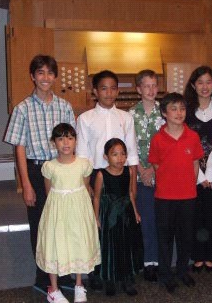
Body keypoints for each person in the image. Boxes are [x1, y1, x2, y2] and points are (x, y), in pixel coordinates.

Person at [4, 55, 76, 293]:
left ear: (55, 77)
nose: (45, 77)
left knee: (63, 222)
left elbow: (70, 142)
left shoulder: (64, 106)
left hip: (61, 169)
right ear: (32, 76)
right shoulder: (22, 108)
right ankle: (42, 276)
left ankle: (63, 272)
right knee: (41, 225)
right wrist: (26, 184)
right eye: (40, 72)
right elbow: (19, 147)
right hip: (36, 170)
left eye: (50, 73)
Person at [76, 70, 139, 290]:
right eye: (103, 88)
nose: (109, 92)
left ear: (118, 91)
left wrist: (132, 185)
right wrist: (86, 186)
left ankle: (124, 273)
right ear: (95, 91)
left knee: (121, 229)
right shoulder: (85, 118)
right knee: (98, 228)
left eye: (113, 88)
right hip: (97, 176)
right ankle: (98, 273)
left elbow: (131, 153)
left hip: (121, 178)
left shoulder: (126, 117)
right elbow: (82, 156)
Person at [36, 123, 101, 303]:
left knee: (78, 242)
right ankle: (54, 289)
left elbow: (86, 186)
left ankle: (79, 285)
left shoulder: (84, 164)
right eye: (60, 138)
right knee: (55, 245)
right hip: (57, 211)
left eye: (70, 138)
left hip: (79, 210)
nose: (66, 142)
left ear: (75, 141)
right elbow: (49, 191)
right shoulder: (50, 167)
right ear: (54, 142)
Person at [148, 92, 204, 293]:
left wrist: (190, 184)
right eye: (173, 108)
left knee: (185, 237)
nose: (179, 113)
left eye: (182, 108)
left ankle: (182, 271)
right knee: (165, 237)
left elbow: (195, 163)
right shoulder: (158, 139)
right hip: (164, 197)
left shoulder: (193, 136)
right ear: (164, 113)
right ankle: (165, 274)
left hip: (188, 196)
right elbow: (155, 165)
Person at [184, 66, 212, 273]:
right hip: (190, 171)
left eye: (208, 82)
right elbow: (185, 145)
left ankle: (211, 256)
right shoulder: (185, 110)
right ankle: (197, 256)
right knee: (194, 214)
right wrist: (198, 176)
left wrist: (208, 174)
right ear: (193, 85)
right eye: (200, 82)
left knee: (210, 213)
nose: (204, 86)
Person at [93, 138, 143, 296]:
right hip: (109, 215)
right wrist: (96, 217)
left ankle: (127, 278)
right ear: (106, 157)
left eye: (123, 154)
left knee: (126, 246)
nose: (120, 158)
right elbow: (96, 197)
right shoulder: (101, 174)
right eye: (115, 154)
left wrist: (135, 211)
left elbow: (129, 193)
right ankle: (110, 279)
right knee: (110, 247)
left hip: (126, 214)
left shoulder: (129, 171)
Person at [128, 69, 165, 282]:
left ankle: (161, 260)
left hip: (162, 174)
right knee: (147, 220)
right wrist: (142, 170)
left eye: (154, 85)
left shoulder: (166, 112)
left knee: (163, 220)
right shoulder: (130, 115)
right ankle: (148, 262)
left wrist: (153, 167)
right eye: (146, 86)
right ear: (138, 89)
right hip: (140, 176)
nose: (151, 90)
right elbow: (128, 145)